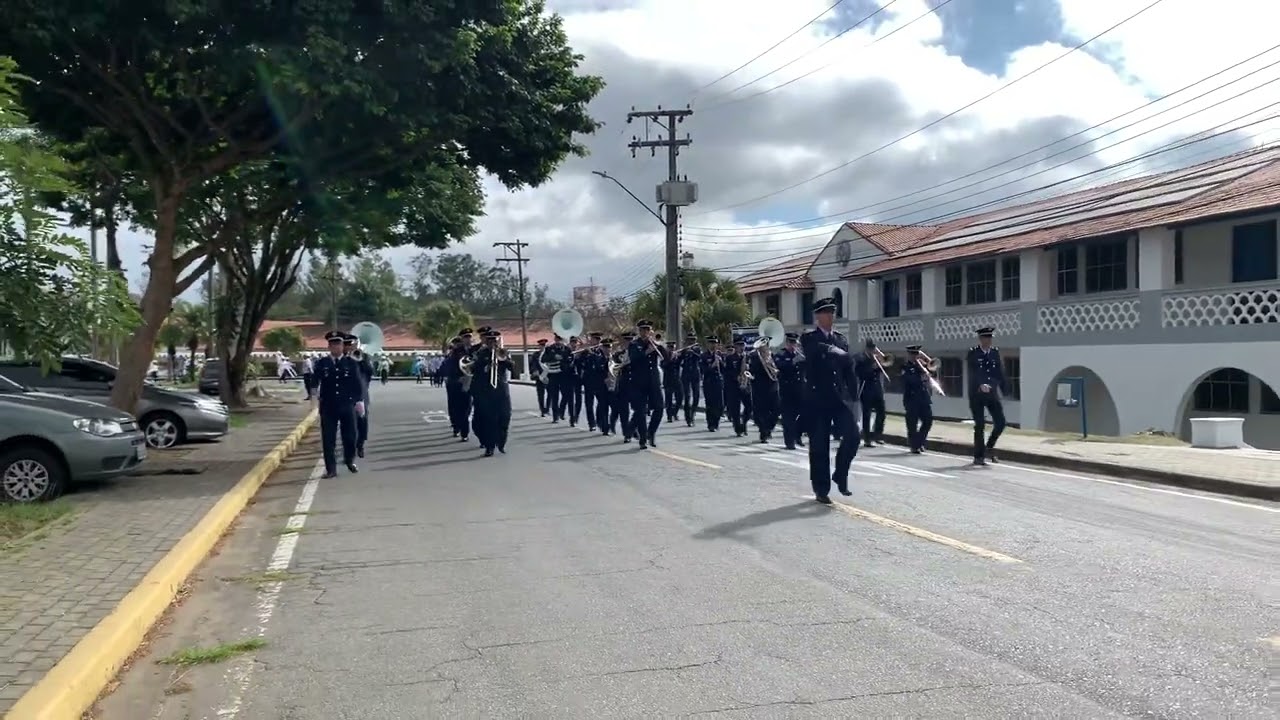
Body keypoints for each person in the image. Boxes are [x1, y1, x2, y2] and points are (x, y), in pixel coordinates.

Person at [800, 297, 859, 504]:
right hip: (817, 399)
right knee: (819, 446)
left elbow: (848, 369)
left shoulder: (841, 339)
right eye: (826, 313)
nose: (831, 316)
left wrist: (854, 397)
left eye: (832, 313)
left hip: (838, 399)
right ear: (818, 316)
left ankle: (840, 474)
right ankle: (821, 488)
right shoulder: (809, 338)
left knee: (853, 436)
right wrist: (832, 350)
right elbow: (813, 351)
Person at [313, 330, 365, 478]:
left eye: (338, 344)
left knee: (350, 436)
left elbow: (357, 384)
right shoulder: (322, 363)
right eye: (332, 344)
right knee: (328, 438)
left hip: (347, 405)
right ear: (329, 347)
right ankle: (331, 469)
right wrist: (313, 398)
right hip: (328, 406)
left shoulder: (351, 363)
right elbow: (314, 382)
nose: (335, 347)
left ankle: (349, 460)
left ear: (343, 346)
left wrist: (359, 401)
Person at [968, 326, 1008, 465]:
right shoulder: (973, 353)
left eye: (990, 337)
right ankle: (978, 456)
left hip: (991, 392)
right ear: (980, 339)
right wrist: (981, 384)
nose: (988, 340)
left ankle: (989, 447)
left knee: (1001, 423)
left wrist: (1001, 387)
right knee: (980, 424)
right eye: (985, 337)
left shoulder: (995, 353)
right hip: (977, 394)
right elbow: (973, 372)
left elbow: (999, 372)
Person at [470, 330, 514, 456]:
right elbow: (473, 369)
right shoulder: (480, 353)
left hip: (501, 390)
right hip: (486, 391)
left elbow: (512, 367)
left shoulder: (503, 352)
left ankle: (501, 442)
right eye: (489, 340)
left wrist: (504, 359)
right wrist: (485, 366)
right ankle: (490, 447)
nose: (492, 343)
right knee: (489, 420)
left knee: (505, 417)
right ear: (486, 341)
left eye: (494, 340)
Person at [627, 320, 665, 448]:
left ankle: (651, 432)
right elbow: (634, 359)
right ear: (639, 331)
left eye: (648, 330)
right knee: (641, 411)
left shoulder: (654, 343)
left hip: (653, 381)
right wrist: (646, 352)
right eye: (643, 330)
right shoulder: (634, 344)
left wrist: (658, 345)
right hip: (639, 382)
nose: (645, 332)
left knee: (659, 407)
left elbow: (666, 358)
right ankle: (642, 439)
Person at [344, 335, 375, 457]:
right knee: (348, 423)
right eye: (346, 345)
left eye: (351, 345)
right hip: (345, 395)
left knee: (362, 421)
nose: (349, 347)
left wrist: (360, 359)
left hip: (361, 394)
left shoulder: (363, 356)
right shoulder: (341, 359)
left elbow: (370, 372)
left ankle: (360, 444)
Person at [775, 332, 806, 450]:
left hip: (800, 389)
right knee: (788, 417)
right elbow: (780, 366)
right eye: (791, 342)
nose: (793, 345)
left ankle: (797, 434)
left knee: (805, 414)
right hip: (787, 390)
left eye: (795, 343)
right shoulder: (781, 354)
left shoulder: (800, 355)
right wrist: (793, 362)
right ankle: (789, 442)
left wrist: (805, 360)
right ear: (787, 342)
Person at [901, 345, 935, 454]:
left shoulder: (922, 366)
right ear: (909, 355)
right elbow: (907, 380)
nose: (915, 356)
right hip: (911, 398)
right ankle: (914, 445)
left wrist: (927, 367)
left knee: (928, 420)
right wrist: (921, 377)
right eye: (913, 354)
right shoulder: (905, 366)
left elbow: (933, 371)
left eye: (916, 354)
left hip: (924, 397)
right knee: (912, 424)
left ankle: (920, 441)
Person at [854, 340, 887, 447]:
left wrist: (882, 363)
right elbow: (860, 373)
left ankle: (878, 434)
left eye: (874, 348)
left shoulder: (876, 358)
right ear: (867, 348)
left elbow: (883, 369)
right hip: (866, 389)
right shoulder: (860, 358)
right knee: (867, 414)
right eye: (871, 348)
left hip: (877, 389)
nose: (873, 350)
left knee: (881, 412)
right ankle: (867, 438)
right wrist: (872, 367)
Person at [747, 340, 781, 443]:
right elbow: (751, 370)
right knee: (761, 412)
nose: (765, 348)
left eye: (766, 345)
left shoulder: (773, 356)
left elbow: (779, 368)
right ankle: (764, 432)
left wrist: (775, 368)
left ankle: (769, 427)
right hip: (760, 388)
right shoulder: (754, 357)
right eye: (762, 346)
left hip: (773, 387)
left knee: (776, 410)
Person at [441, 336, 471, 441]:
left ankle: (464, 432)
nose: (457, 345)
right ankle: (456, 427)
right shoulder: (451, 356)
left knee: (465, 409)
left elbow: (471, 366)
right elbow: (445, 368)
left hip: (465, 384)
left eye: (459, 343)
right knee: (454, 408)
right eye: (455, 344)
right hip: (453, 384)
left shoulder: (467, 353)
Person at [541, 335, 572, 423]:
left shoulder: (567, 349)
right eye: (557, 339)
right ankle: (555, 417)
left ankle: (561, 410)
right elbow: (544, 359)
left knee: (565, 394)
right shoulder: (549, 349)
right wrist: (554, 356)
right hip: (553, 375)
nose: (558, 341)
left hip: (563, 374)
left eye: (560, 339)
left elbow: (570, 360)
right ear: (555, 339)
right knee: (554, 396)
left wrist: (564, 359)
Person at [581, 332, 607, 431]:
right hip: (588, 381)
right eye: (595, 339)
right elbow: (580, 363)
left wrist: (592, 354)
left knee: (602, 403)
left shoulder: (601, 352)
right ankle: (591, 423)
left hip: (599, 381)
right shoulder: (585, 352)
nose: (597, 341)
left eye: (598, 340)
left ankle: (600, 421)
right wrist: (581, 354)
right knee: (589, 404)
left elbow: (601, 363)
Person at [722, 340, 749, 437]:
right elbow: (726, 372)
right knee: (735, 409)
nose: (742, 347)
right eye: (739, 345)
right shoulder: (730, 358)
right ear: (735, 346)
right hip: (734, 386)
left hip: (746, 385)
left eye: (743, 345)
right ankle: (738, 429)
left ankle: (744, 423)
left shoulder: (748, 357)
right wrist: (735, 377)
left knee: (749, 407)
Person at [699, 336, 725, 432]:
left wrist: (721, 362)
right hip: (708, 382)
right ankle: (711, 424)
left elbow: (724, 370)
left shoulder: (720, 355)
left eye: (715, 343)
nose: (713, 345)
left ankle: (716, 422)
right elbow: (703, 370)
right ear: (708, 344)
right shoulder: (704, 356)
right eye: (711, 343)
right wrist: (712, 366)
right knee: (710, 404)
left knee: (720, 404)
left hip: (718, 381)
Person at [678, 334, 702, 427]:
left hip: (695, 374)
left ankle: (692, 414)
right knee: (687, 397)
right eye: (690, 340)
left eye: (693, 340)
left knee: (696, 396)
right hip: (686, 374)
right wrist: (683, 353)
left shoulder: (698, 349)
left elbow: (700, 358)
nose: (692, 342)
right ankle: (688, 418)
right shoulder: (685, 350)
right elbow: (679, 361)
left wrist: (693, 352)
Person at [563, 336, 584, 426]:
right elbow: (564, 364)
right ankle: (572, 418)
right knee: (570, 399)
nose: (574, 344)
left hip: (578, 378)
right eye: (572, 342)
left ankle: (576, 416)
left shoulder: (581, 352)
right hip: (569, 378)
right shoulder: (566, 352)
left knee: (579, 399)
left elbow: (584, 364)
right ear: (570, 343)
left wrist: (580, 355)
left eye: (575, 342)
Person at [661, 339, 682, 423]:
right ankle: (669, 416)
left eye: (672, 347)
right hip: (668, 380)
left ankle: (675, 412)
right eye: (670, 347)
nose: (671, 349)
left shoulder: (677, 355)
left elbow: (680, 364)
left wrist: (678, 356)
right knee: (668, 400)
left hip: (677, 379)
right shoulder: (664, 356)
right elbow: (664, 365)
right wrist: (670, 358)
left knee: (680, 398)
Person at [530, 338, 549, 416]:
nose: (542, 347)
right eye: (541, 345)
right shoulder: (536, 355)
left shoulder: (548, 354)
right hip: (539, 376)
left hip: (548, 376)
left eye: (543, 345)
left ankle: (547, 408)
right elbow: (532, 364)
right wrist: (535, 371)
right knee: (541, 394)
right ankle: (542, 410)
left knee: (550, 394)